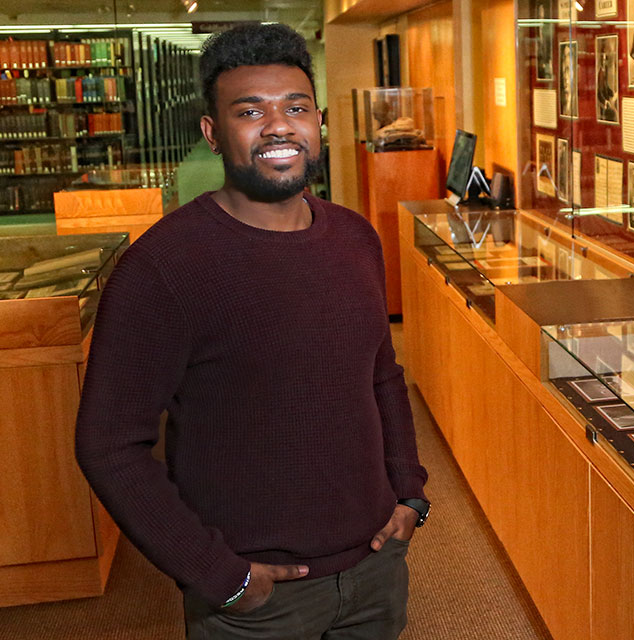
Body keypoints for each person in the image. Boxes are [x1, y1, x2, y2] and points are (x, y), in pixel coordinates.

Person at [74, 23, 429, 639]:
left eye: (295, 108)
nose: (278, 126)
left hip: (376, 569)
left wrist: (411, 495)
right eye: (250, 111)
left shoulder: (355, 238)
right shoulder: (164, 268)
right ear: (213, 133)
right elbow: (108, 445)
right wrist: (218, 576)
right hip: (255, 599)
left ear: (317, 121)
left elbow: (381, 375)